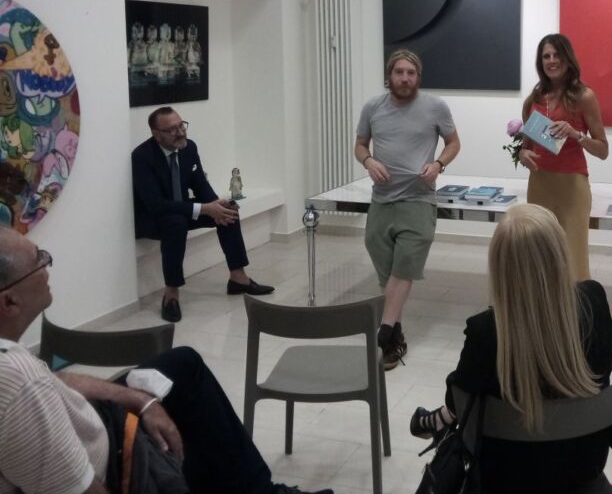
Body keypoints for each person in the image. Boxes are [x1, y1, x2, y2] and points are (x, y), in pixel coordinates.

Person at [0, 226, 329, 494]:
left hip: (89, 418)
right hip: (116, 462)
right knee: (190, 403)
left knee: (182, 366)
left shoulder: (17, 366)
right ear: (10, 302)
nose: (47, 265)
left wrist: (138, 399)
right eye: (38, 261)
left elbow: (57, 381)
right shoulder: (19, 382)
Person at [409, 204, 612, 494]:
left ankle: (436, 421)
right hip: (583, 469)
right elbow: (604, 366)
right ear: (560, 254)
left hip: (505, 478)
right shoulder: (593, 303)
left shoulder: (486, 332)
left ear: (500, 266)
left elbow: (458, 397)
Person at [354, 49, 460, 369]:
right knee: (386, 272)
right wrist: (368, 161)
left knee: (404, 267)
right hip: (382, 199)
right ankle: (395, 332)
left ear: (418, 77)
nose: (405, 78)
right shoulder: (373, 107)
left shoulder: (435, 107)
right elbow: (360, 145)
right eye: (399, 72)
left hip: (419, 199)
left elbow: (453, 143)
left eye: (411, 73)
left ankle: (384, 333)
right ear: (389, 76)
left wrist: (438, 164)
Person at [132, 107, 273, 323]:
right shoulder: (142, 157)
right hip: (152, 217)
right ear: (156, 134)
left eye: (181, 125)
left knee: (228, 208)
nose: (181, 132)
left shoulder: (189, 148)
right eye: (172, 130)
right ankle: (171, 294)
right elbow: (155, 204)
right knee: (176, 222)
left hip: (181, 208)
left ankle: (238, 278)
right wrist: (205, 209)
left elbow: (199, 184)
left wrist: (216, 204)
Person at [519, 33, 609, 281]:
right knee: (540, 255)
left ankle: (575, 305)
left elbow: (603, 150)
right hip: (539, 184)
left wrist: (576, 135)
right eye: (546, 56)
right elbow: (525, 146)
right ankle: (542, 303)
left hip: (572, 186)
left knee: (573, 258)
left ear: (568, 59)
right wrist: (523, 153)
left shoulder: (584, 96)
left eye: (556, 55)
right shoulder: (534, 100)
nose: (551, 60)